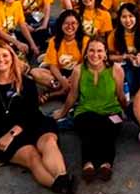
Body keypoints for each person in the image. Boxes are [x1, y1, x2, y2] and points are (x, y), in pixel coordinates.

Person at [0, 43, 75, 194]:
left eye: (5, 56)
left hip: (32, 123)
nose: (1, 60)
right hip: (3, 131)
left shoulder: (26, 82)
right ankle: (59, 185)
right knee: (32, 156)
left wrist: (12, 133)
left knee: (49, 143)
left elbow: (32, 112)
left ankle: (62, 178)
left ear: (12, 59)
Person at [52, 38, 128, 183]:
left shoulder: (116, 69)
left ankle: (107, 164)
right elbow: (73, 95)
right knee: (89, 128)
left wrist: (128, 112)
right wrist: (62, 112)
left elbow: (120, 95)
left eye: (99, 50)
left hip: (111, 110)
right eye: (91, 50)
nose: (95, 54)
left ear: (105, 53)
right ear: (86, 53)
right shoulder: (78, 70)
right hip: (86, 110)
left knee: (108, 129)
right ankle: (88, 163)